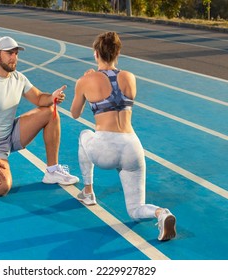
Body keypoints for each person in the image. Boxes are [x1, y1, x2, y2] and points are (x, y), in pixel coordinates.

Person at [70, 31, 176, 241]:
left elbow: (74, 114)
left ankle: (88, 191)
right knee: (135, 209)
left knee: (84, 134)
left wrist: (85, 81)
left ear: (96, 53)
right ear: (118, 52)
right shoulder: (130, 78)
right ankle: (161, 213)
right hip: (132, 147)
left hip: (105, 147)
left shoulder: (86, 80)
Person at [0, 36, 79, 197]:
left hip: (9, 134)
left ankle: (52, 171)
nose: (14, 58)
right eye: (9, 53)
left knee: (50, 111)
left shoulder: (18, 78)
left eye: (16, 53)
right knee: (1, 188)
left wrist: (52, 97)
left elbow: (39, 98)